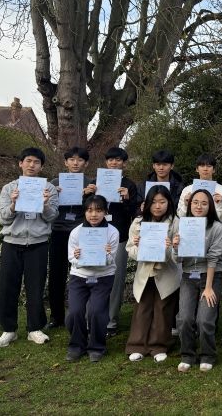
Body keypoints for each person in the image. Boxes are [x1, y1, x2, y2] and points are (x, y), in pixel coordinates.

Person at [0, 147, 59, 347]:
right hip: (12, 243)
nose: (32, 165)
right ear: (20, 163)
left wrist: (45, 204)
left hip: (38, 244)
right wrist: (13, 204)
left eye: (36, 162)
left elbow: (53, 216)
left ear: (41, 167)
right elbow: (2, 218)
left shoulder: (49, 189)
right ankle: (8, 329)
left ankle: (34, 329)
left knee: (36, 287)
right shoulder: (9, 188)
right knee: (7, 287)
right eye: (28, 161)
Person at [172, 189, 222, 372]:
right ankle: (187, 354)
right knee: (185, 318)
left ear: (210, 206)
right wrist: (176, 247)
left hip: (211, 276)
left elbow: (213, 258)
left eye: (204, 203)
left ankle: (207, 355)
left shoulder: (217, 228)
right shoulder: (183, 225)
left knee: (205, 320)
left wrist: (208, 287)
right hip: (188, 276)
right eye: (195, 202)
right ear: (189, 204)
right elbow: (177, 259)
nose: (199, 206)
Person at [88, 147, 139, 337]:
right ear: (106, 162)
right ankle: (91, 317)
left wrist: (127, 199)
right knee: (93, 277)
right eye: (110, 160)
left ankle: (111, 321)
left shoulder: (129, 185)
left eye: (118, 160)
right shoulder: (95, 182)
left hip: (119, 237)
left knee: (116, 280)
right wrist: (88, 195)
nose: (114, 163)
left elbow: (134, 213)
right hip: (95, 237)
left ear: (124, 163)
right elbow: (88, 211)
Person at [125, 186, 179, 362]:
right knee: (143, 307)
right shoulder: (138, 222)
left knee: (163, 309)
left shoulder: (175, 222)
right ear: (147, 203)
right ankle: (137, 345)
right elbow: (130, 250)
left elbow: (177, 255)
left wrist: (170, 247)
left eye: (162, 202)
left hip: (166, 272)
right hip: (145, 272)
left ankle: (159, 345)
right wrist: (138, 247)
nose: (158, 206)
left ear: (169, 203)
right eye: (154, 202)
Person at [65, 195, 119, 362]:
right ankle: (77, 345)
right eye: (89, 210)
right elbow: (71, 258)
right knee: (75, 311)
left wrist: (107, 254)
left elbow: (110, 261)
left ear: (105, 212)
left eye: (98, 210)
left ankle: (97, 347)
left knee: (96, 311)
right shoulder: (76, 232)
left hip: (103, 277)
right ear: (85, 212)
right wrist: (77, 256)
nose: (93, 214)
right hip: (79, 276)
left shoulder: (112, 232)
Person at [47, 146, 94, 329]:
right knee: (56, 275)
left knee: (83, 272)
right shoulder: (54, 182)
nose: (76, 163)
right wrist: (53, 194)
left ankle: (83, 314)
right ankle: (56, 316)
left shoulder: (91, 183)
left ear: (86, 163)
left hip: (82, 232)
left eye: (80, 160)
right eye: (72, 160)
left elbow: (96, 210)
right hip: (58, 231)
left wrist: (90, 195)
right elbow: (47, 208)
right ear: (65, 162)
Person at [176, 153, 222, 224]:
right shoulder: (187, 190)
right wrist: (186, 205)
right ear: (197, 169)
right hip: (192, 227)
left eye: (209, 166)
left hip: (214, 228)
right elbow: (180, 216)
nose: (205, 169)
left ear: (214, 170)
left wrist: (220, 205)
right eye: (202, 166)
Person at [137, 149, 184, 216]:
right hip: (148, 221)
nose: (161, 168)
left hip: (171, 221)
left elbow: (181, 211)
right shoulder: (143, 186)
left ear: (172, 166)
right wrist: (141, 209)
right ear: (153, 166)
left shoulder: (179, 187)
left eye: (165, 164)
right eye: (158, 164)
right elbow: (135, 210)